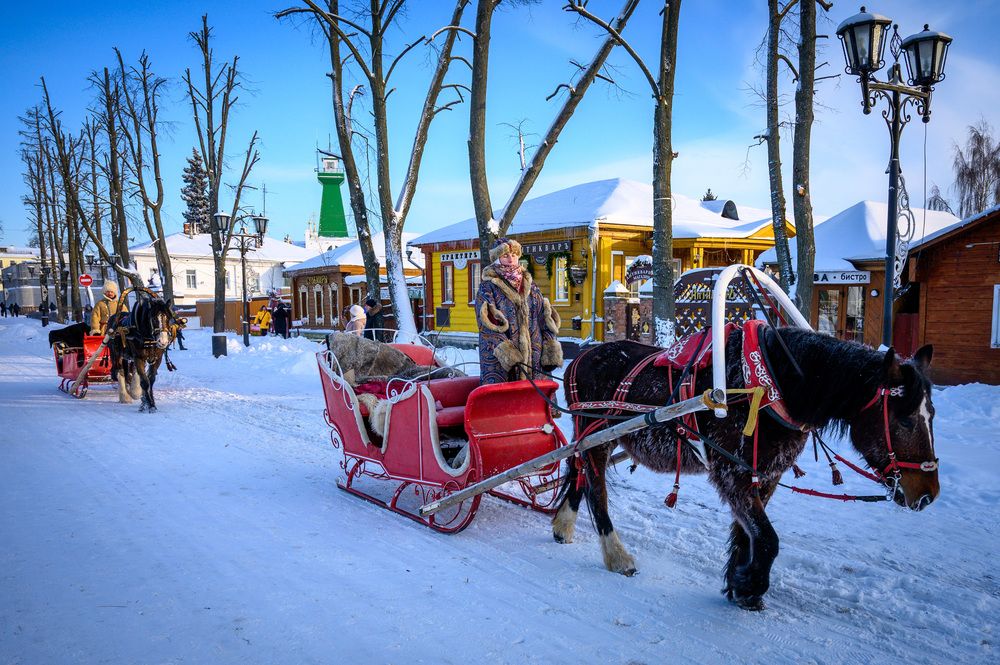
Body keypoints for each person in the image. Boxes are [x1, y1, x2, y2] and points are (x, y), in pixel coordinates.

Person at [475, 237, 562, 385]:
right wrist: (509, 355)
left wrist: (550, 348)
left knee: (538, 401)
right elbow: (488, 325)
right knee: (506, 401)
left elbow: (545, 319)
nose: (510, 259)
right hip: (501, 360)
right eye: (505, 255)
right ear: (497, 259)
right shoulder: (488, 287)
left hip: (535, 357)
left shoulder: (531, 286)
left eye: (514, 255)